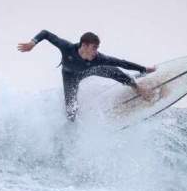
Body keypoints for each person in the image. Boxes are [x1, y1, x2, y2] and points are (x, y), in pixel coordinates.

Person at [18, 30, 156, 122]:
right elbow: (46, 34)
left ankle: (137, 88)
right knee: (71, 111)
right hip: (70, 76)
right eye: (94, 47)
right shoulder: (67, 47)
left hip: (90, 70)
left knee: (115, 71)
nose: (96, 51)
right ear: (84, 45)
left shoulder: (98, 58)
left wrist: (143, 69)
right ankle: (75, 127)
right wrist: (32, 43)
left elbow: (121, 62)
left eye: (97, 48)